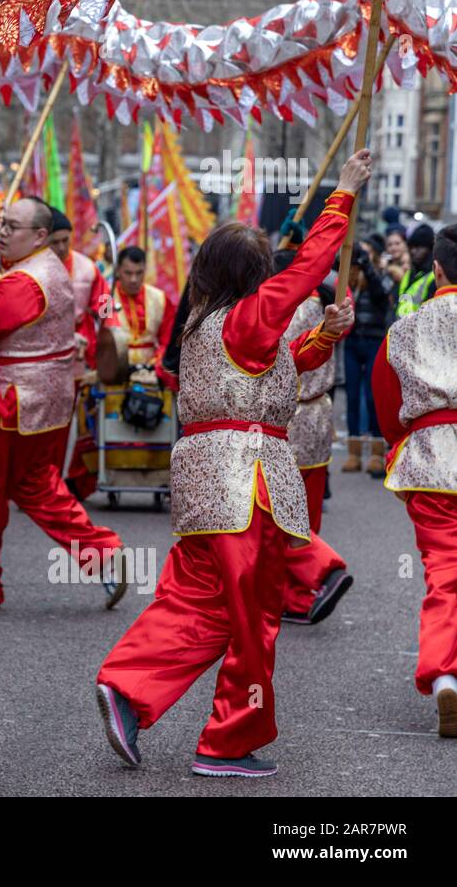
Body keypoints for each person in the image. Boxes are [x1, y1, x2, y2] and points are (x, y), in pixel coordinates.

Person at [95, 150, 368, 779]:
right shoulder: (248, 318)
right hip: (245, 482)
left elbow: (274, 373)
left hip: (203, 483)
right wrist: (342, 196)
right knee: (252, 618)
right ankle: (228, 740)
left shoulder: (206, 322)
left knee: (196, 602)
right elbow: (309, 269)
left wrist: (326, 336)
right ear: (257, 274)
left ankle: (128, 689)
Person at [0, 195, 127, 610]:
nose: (2, 233)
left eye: (12, 227)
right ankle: (101, 553)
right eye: (1, 224)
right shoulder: (58, 269)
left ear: (40, 236)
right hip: (46, 396)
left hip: (10, 401)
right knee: (35, 485)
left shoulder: (23, 281)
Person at [373, 222, 457, 735]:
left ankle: (445, 672)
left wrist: (393, 441)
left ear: (438, 269)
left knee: (444, 571)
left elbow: (386, 404)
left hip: (429, 461)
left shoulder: (405, 327)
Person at [273, 249, 353, 625]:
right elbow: (346, 306)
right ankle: (306, 588)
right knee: (309, 510)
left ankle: (295, 591)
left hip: (287, 418)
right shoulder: (327, 305)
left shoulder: (274, 311)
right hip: (320, 413)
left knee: (280, 515)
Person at [340, 242, 389, 476]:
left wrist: (367, 265)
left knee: (372, 397)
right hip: (352, 342)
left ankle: (377, 453)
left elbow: (382, 294)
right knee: (352, 396)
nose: (362, 256)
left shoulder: (381, 274)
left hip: (374, 341)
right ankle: (354, 453)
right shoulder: (348, 279)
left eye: (368, 252)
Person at [48, 207, 109, 372]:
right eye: (55, 242)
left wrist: (109, 326)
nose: (61, 247)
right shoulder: (35, 269)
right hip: (47, 344)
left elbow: (104, 299)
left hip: (84, 343)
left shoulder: (87, 267)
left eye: (65, 240)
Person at [102, 246, 174, 373]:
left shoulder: (159, 298)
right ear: (118, 271)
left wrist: (157, 362)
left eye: (139, 273)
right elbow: (101, 334)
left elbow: (168, 339)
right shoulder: (106, 298)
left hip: (151, 370)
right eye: (128, 273)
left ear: (145, 270)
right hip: (114, 370)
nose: (133, 279)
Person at [396, 223, 436, 318]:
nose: (413, 251)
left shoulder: (434, 277)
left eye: (419, 247)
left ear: (430, 249)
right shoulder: (409, 273)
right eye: (411, 247)